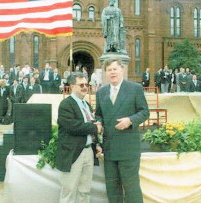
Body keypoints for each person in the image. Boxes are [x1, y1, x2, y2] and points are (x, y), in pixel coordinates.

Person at [95, 58, 149, 203]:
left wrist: (130, 120)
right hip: (110, 148)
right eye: (109, 70)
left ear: (122, 70)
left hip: (128, 148)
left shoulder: (134, 88)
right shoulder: (101, 92)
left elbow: (144, 112)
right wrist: (98, 122)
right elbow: (98, 113)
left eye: (115, 69)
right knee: (113, 190)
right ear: (105, 73)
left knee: (131, 189)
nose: (112, 72)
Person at [55, 72, 103, 203]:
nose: (85, 87)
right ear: (72, 86)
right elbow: (73, 127)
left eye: (86, 84)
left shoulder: (86, 104)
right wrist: (95, 128)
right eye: (81, 84)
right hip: (73, 153)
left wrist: (97, 144)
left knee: (85, 191)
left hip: (88, 152)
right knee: (69, 191)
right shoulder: (66, 104)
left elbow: (90, 123)